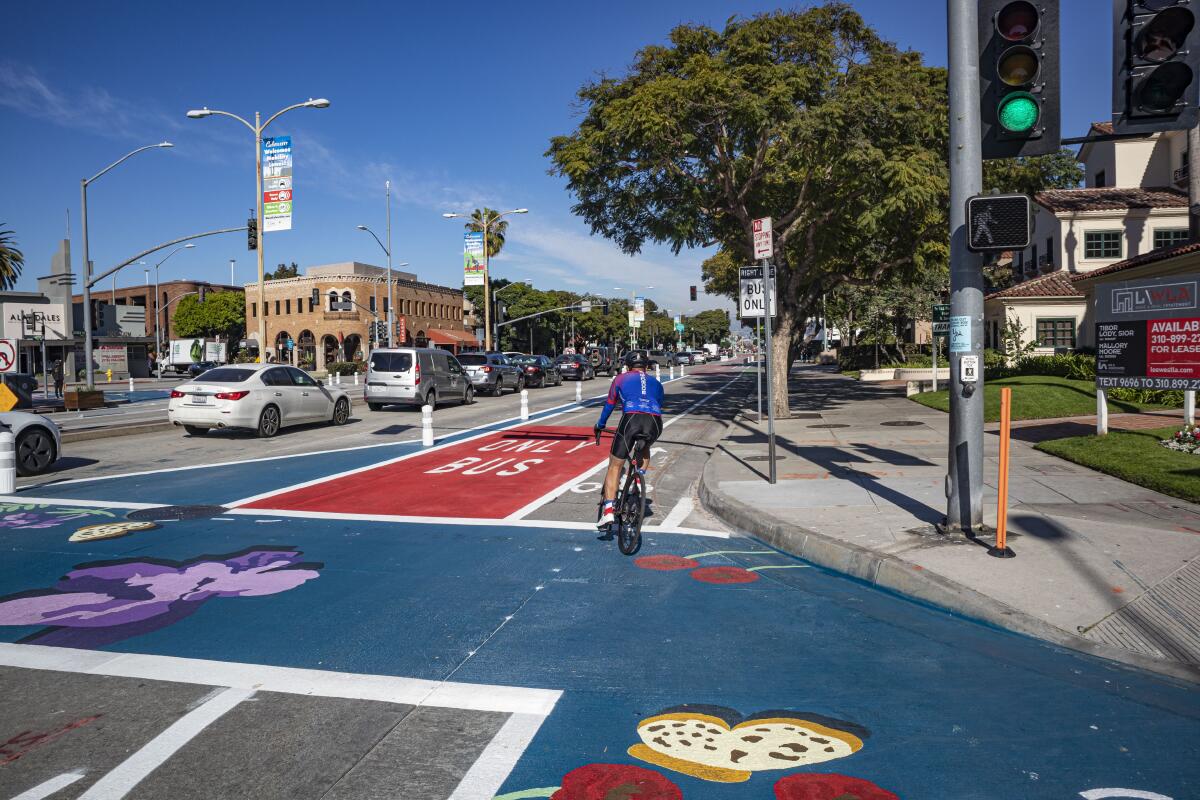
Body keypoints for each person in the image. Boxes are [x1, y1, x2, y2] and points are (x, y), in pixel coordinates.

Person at [593, 351, 664, 532]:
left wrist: (600, 424)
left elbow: (610, 403)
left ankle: (608, 510)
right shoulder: (657, 383)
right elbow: (657, 403)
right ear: (647, 367)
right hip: (654, 422)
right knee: (644, 446)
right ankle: (638, 479)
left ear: (627, 366)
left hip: (631, 419)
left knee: (615, 466)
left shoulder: (620, 379)